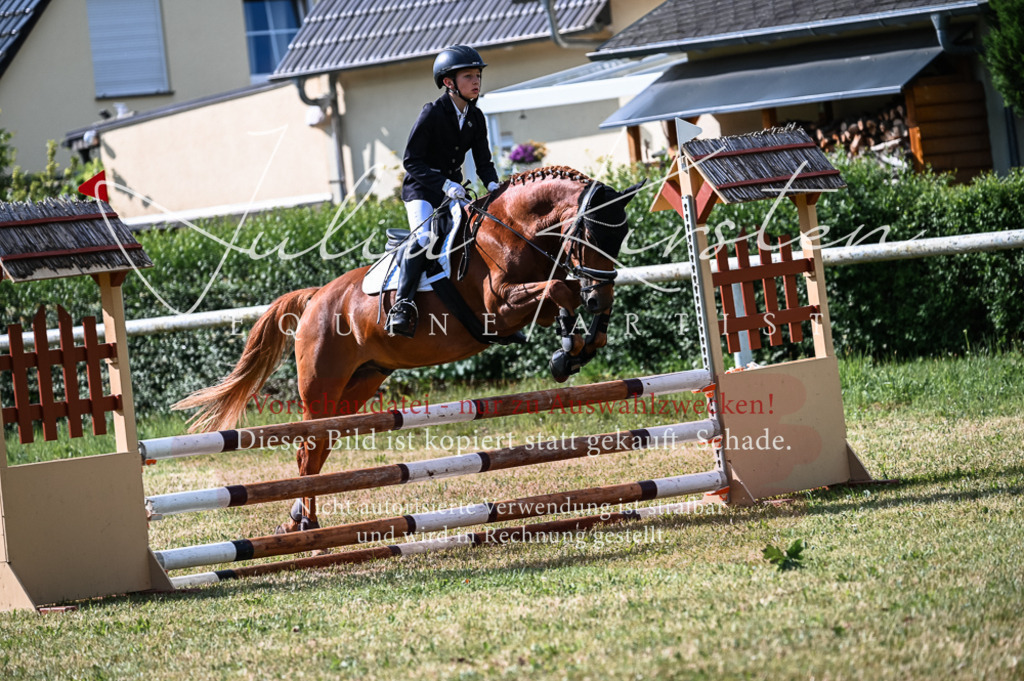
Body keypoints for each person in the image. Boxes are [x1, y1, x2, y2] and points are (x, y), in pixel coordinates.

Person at [387, 44, 501, 338]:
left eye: (478, 75)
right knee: (425, 238)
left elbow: (484, 161)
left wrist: (493, 185)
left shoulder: (476, 118)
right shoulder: (432, 113)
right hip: (422, 191)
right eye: (468, 76)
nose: (476, 81)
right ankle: (402, 305)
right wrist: (443, 183)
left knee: (473, 235)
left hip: (453, 192)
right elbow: (411, 161)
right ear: (449, 83)